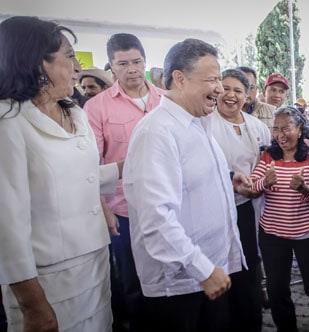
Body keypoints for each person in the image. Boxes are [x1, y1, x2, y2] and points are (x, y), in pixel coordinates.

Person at [0, 16, 122, 332]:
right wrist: (33, 303)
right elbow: (7, 222)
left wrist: (120, 171)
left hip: (94, 258)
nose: (77, 68)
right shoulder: (9, 122)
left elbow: (75, 175)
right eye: (69, 56)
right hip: (48, 277)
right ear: (37, 63)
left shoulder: (75, 112)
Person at [123, 38, 247, 332]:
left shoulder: (198, 123)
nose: (219, 88)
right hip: (180, 286)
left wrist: (228, 181)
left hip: (207, 275)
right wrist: (203, 269)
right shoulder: (158, 132)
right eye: (212, 79)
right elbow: (156, 218)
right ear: (179, 79)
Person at [84, 32, 163, 332]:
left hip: (169, 202)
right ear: (111, 67)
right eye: (123, 63)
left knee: (171, 272)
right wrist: (103, 207)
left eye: (137, 62)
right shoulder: (96, 108)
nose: (132, 69)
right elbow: (92, 165)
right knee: (132, 281)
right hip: (124, 209)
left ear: (145, 61)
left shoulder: (166, 100)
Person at [250, 106, 309, 332]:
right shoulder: (269, 155)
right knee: (277, 289)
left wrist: (305, 190)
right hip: (272, 234)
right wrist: (264, 183)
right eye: (276, 129)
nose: (280, 134)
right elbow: (252, 186)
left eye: (286, 128)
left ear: (299, 129)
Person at [205, 68, 271, 331]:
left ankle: (250, 320)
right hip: (214, 210)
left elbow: (266, 162)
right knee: (219, 266)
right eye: (227, 88)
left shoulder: (258, 127)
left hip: (247, 209)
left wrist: (258, 184)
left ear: (248, 95)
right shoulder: (205, 122)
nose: (231, 95)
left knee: (248, 266)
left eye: (238, 91)